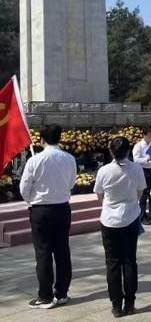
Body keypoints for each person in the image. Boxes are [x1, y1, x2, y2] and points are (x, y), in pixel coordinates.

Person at [20, 125, 77, 310]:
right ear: (59, 138)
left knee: (43, 253)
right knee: (62, 252)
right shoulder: (69, 158)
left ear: (42, 140)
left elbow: (24, 188)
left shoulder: (35, 160)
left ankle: (45, 296)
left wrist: (32, 200)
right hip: (62, 208)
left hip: (41, 210)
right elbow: (71, 183)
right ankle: (61, 293)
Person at [93, 137, 147, 318]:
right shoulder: (136, 168)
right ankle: (130, 303)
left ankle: (116, 305)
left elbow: (99, 196)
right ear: (128, 150)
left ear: (111, 151)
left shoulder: (104, 171)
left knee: (113, 263)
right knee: (130, 260)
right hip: (131, 217)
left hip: (110, 220)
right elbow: (140, 192)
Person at [132, 127, 151, 225]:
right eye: (149, 136)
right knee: (143, 194)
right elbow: (136, 160)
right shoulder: (138, 146)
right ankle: (142, 217)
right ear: (144, 135)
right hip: (143, 171)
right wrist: (147, 159)